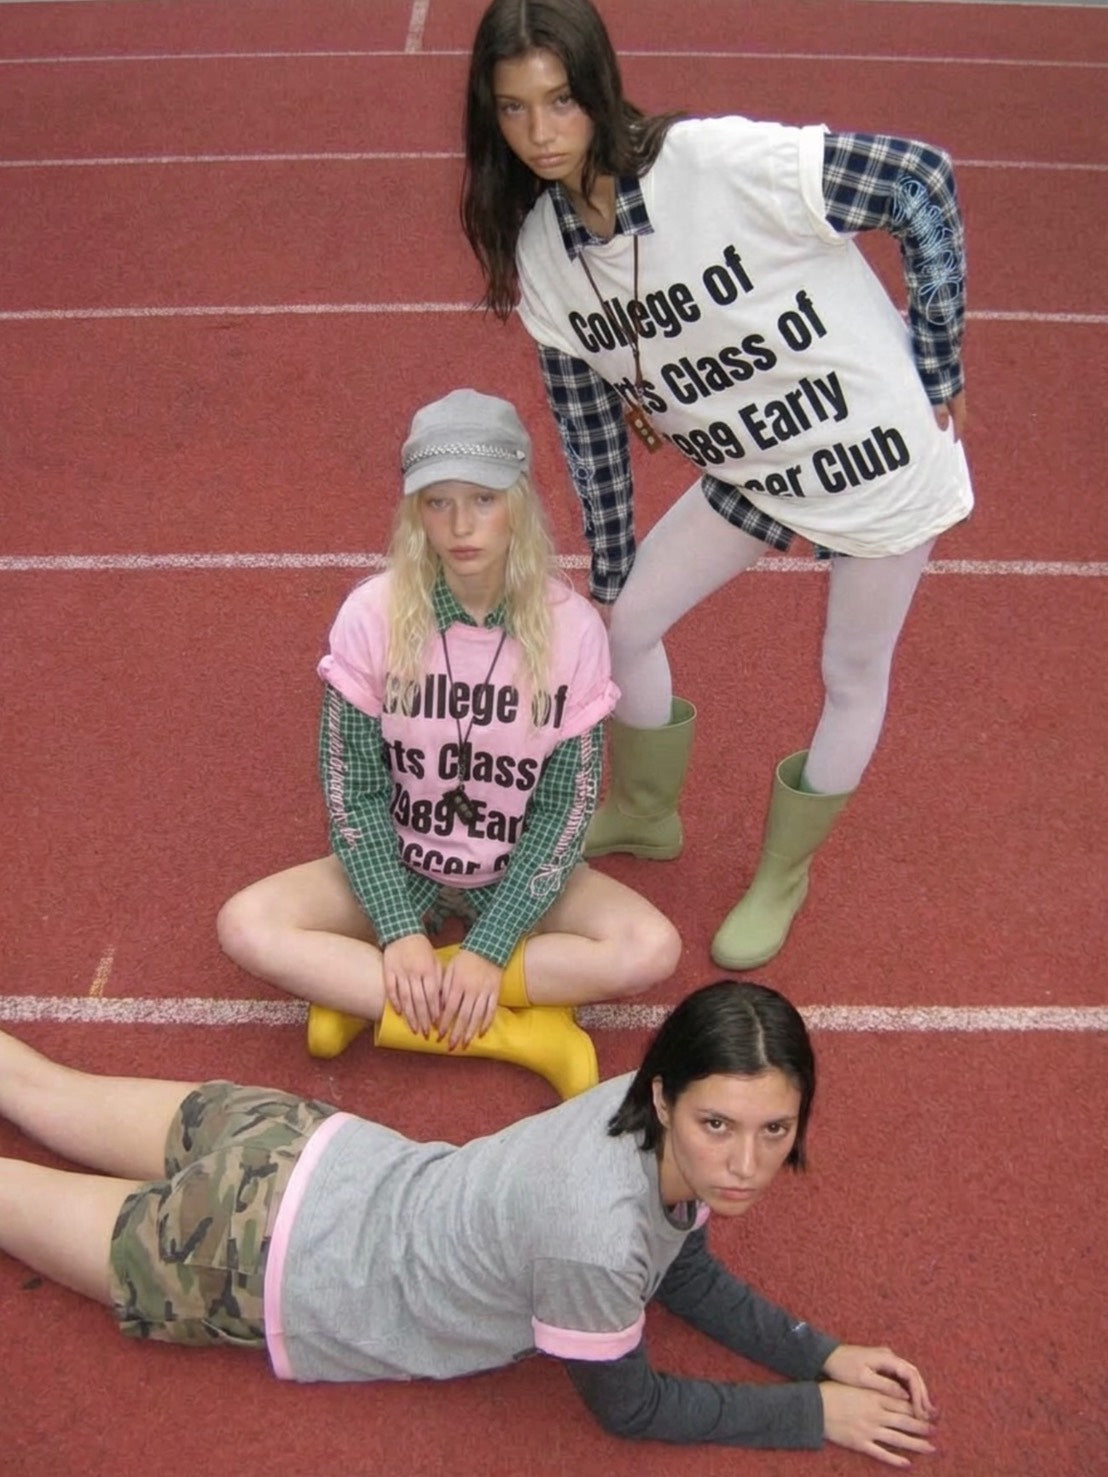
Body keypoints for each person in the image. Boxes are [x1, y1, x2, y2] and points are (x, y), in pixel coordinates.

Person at [461, 0, 974, 970]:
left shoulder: (714, 164)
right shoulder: (544, 257)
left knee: (850, 671)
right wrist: (611, 556)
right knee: (622, 620)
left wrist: (939, 356)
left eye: (561, 100)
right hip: (750, 467)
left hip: (874, 459)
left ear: (599, 87)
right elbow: (586, 424)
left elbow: (917, 178)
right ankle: (647, 809)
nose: (540, 133)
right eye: (514, 109)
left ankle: (783, 871)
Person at [0, 980, 936, 1464]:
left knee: (44, 1087)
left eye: (776, 1130)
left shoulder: (641, 1101)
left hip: (299, 1140)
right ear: (668, 1095)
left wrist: (819, 1352)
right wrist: (810, 1412)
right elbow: (632, 1407)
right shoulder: (594, 1242)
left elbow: (678, 1261)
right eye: (720, 1127)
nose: (745, 1164)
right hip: (255, 1258)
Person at [217, 388, 680, 1100]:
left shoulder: (574, 629)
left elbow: (564, 810)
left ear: (518, 501)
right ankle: (519, 1030)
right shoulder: (371, 614)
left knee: (652, 947)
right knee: (246, 924)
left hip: (514, 870)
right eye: (438, 503)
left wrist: (490, 947)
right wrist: (398, 927)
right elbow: (352, 794)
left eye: (483, 500)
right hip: (404, 862)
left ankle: (374, 994)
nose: (461, 525)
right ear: (415, 512)